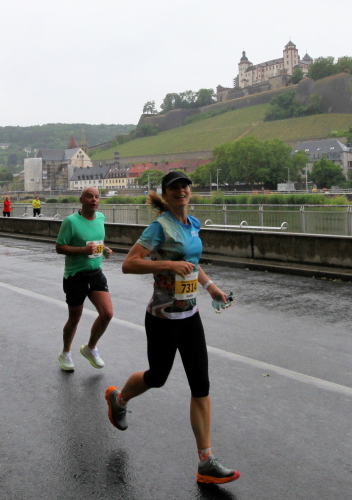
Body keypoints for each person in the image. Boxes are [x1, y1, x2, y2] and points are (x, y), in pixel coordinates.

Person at [104, 171, 240, 485]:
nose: (181, 191)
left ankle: (206, 462)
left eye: (185, 186)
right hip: (162, 318)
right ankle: (119, 400)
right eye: (174, 188)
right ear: (165, 195)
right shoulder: (159, 227)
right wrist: (168, 264)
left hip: (190, 316)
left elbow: (192, 263)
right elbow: (129, 264)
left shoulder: (193, 224)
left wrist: (211, 288)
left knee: (201, 386)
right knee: (157, 377)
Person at [55, 187, 113, 371]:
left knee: (107, 314)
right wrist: (82, 250)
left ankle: (90, 348)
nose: (94, 200)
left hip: (96, 273)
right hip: (75, 275)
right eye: (89, 196)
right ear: (81, 200)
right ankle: (65, 353)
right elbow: (59, 247)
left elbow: (97, 242)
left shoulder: (101, 218)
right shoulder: (71, 222)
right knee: (75, 317)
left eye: (97, 197)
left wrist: (105, 250)